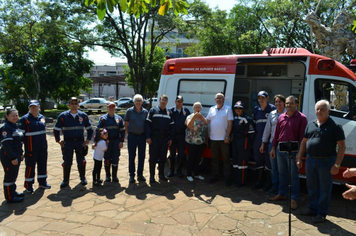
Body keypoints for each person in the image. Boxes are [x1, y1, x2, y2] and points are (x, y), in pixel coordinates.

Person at [297, 100, 346, 223]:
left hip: (326, 162)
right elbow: (304, 141)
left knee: (324, 189)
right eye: (318, 109)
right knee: (311, 187)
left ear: (328, 111)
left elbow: (342, 146)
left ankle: (321, 213)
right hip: (310, 160)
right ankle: (312, 209)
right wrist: (299, 156)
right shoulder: (311, 124)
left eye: (322, 109)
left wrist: (337, 165)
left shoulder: (335, 126)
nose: (319, 111)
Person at [269, 96, 307, 211]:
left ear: (296, 104)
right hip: (280, 150)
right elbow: (276, 134)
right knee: (282, 173)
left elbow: (303, 138)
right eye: (287, 103)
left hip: (293, 151)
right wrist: (273, 148)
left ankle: (294, 198)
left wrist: (299, 154)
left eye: (291, 103)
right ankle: (282, 193)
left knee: (293, 175)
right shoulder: (281, 117)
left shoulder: (302, 118)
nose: (288, 105)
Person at [54, 97, 93, 188]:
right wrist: (58, 140)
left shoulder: (83, 116)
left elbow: (90, 129)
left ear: (78, 105)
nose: (74, 105)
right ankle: (65, 180)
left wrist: (88, 140)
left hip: (80, 142)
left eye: (76, 103)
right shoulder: (63, 116)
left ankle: (82, 177)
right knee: (67, 161)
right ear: (69, 104)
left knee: (81, 161)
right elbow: (56, 130)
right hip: (68, 143)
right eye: (72, 103)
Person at [19, 100, 50, 193]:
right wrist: (20, 150)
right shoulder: (24, 119)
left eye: (35, 106)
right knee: (30, 167)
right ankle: (28, 185)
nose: (34, 108)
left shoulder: (41, 117)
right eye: (32, 107)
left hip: (42, 147)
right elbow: (20, 136)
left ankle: (42, 182)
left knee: (42, 165)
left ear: (39, 107)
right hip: (31, 148)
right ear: (29, 108)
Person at [260, 94, 286, 194]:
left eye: (280, 101)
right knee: (274, 168)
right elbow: (267, 130)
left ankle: (282, 189)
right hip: (272, 145)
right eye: (276, 102)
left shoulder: (288, 114)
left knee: (282, 169)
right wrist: (263, 143)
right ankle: (275, 187)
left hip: (283, 145)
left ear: (284, 103)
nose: (278, 103)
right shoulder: (272, 114)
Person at [145, 94, 175, 184]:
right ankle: (151, 176)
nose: (164, 101)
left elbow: (172, 126)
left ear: (167, 102)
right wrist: (148, 137)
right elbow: (147, 124)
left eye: (165, 100)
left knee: (163, 158)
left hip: (164, 139)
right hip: (154, 138)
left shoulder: (169, 112)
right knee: (153, 158)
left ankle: (161, 175)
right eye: (162, 99)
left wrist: (171, 138)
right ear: (159, 100)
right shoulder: (153, 110)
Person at [206, 93, 234, 185]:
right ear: (215, 99)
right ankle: (214, 176)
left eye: (221, 98)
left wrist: (227, 137)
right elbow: (207, 121)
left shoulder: (228, 109)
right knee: (214, 159)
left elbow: (230, 124)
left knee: (226, 160)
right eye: (217, 98)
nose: (219, 99)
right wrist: (198, 116)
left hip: (223, 139)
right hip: (213, 139)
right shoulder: (211, 109)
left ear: (224, 99)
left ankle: (227, 178)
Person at [94, 102, 125, 183]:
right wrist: (95, 142)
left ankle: (114, 175)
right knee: (107, 158)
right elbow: (98, 130)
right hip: (106, 142)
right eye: (109, 107)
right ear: (107, 108)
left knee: (115, 158)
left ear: (115, 108)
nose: (111, 108)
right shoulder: (103, 119)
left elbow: (122, 131)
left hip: (116, 141)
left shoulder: (119, 118)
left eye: (113, 107)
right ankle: (108, 175)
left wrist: (121, 141)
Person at [252, 91, 276, 190]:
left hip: (269, 138)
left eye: (263, 98)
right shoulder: (256, 110)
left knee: (268, 161)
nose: (261, 100)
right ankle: (259, 181)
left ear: (267, 98)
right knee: (258, 160)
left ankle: (268, 182)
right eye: (259, 98)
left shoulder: (272, 109)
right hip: (258, 137)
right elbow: (253, 125)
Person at [0, 109, 25, 203]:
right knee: (9, 176)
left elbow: (18, 142)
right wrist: (13, 158)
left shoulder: (14, 126)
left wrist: (21, 153)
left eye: (17, 115)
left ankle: (13, 192)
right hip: (9, 156)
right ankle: (10, 197)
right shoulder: (6, 127)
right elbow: (7, 145)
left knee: (14, 175)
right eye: (13, 116)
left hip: (16, 154)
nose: (15, 117)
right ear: (7, 116)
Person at [125, 94, 148, 183]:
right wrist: (129, 133)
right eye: (137, 101)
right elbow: (126, 123)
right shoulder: (129, 111)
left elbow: (147, 125)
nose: (138, 102)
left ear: (142, 102)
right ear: (134, 102)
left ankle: (140, 174)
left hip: (142, 136)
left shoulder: (145, 112)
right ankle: (132, 175)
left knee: (141, 156)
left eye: (140, 101)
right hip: (132, 136)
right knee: (132, 156)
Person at [231, 101, 255, 187]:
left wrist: (251, 144)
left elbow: (252, 133)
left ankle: (242, 181)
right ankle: (236, 179)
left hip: (243, 141)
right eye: (236, 108)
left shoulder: (247, 119)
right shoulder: (234, 118)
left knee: (242, 162)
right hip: (235, 141)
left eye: (240, 108)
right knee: (235, 161)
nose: (238, 110)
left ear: (243, 109)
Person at [167, 95, 191, 178]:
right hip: (173, 136)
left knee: (181, 154)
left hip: (182, 136)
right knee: (172, 154)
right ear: (175, 102)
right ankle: (171, 170)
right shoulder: (170, 110)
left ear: (182, 102)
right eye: (178, 101)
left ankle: (179, 171)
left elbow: (189, 122)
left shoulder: (186, 111)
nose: (179, 103)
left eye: (181, 101)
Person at [185, 102, 208, 181]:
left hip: (201, 141)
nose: (197, 109)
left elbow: (206, 124)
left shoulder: (202, 117)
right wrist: (194, 117)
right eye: (196, 107)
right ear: (193, 108)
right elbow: (189, 126)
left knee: (198, 158)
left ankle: (196, 174)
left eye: (199, 107)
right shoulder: (189, 116)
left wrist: (206, 140)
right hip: (192, 141)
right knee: (191, 158)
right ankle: (189, 174)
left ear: (201, 108)